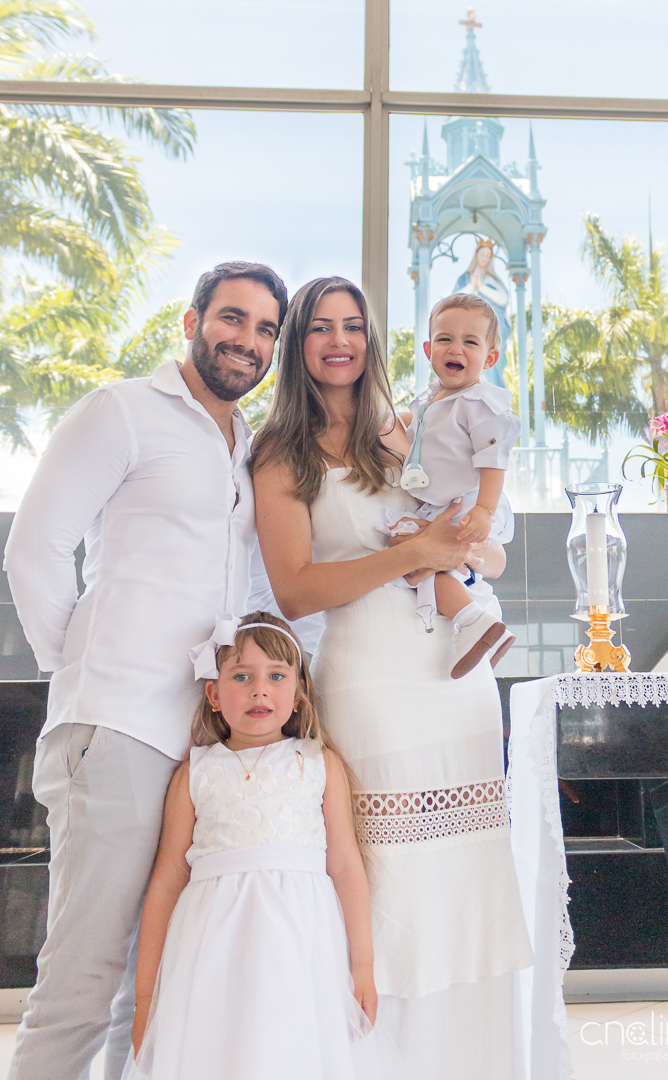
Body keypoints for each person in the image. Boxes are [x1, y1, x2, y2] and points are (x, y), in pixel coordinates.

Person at [2, 261, 288, 1080]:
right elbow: (37, 548)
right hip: (119, 727)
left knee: (155, 980)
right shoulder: (122, 411)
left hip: (201, 744)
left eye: (265, 329)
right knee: (85, 976)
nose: (248, 341)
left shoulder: (247, 448)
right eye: (233, 319)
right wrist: (83, 665)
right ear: (193, 321)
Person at [251, 276, 534, 1080]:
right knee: (389, 890)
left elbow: (490, 548)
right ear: (297, 344)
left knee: (463, 885)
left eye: (354, 326)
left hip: (456, 679)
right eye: (320, 328)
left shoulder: (410, 428)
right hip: (370, 685)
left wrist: (473, 547)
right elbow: (297, 588)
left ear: (373, 340)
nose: (340, 341)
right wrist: (412, 555)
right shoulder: (280, 454)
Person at [126, 612, 401, 1080]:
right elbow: (169, 878)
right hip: (210, 941)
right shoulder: (195, 771)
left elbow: (347, 868)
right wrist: (146, 998)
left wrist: (363, 968)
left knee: (289, 1047)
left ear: (296, 694)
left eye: (276, 676)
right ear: (213, 694)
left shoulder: (318, 763)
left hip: (300, 939)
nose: (260, 690)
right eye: (241, 676)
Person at [381, 292, 520, 678]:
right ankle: (472, 626)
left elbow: (494, 462)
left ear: (490, 358)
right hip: (440, 503)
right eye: (444, 339)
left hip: (466, 504)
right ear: (428, 349)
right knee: (421, 562)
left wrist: (484, 511)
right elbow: (417, 431)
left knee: (433, 562)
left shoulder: (480, 404)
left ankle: (473, 621)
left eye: (470, 342)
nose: (454, 348)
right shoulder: (431, 399)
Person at [453, 236, 511, 387]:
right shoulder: (465, 279)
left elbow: (504, 299)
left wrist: (483, 287)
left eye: (488, 255)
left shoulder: (493, 280)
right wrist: (472, 286)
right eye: (482, 254)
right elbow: (452, 300)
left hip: (490, 327)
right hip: (468, 327)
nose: (484, 258)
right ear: (476, 255)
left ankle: (491, 388)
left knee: (489, 359)